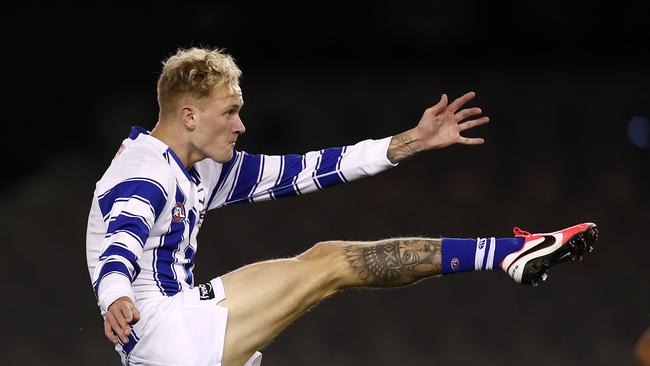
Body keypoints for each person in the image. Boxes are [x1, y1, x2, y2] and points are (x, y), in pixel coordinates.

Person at [86, 47, 599, 366]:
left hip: (171, 340)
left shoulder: (194, 167)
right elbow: (121, 239)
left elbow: (308, 169)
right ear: (190, 115)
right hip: (169, 335)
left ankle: (510, 252)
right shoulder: (146, 170)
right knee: (331, 262)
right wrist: (113, 295)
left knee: (329, 260)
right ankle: (509, 252)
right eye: (232, 111)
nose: (241, 125)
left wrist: (408, 143)